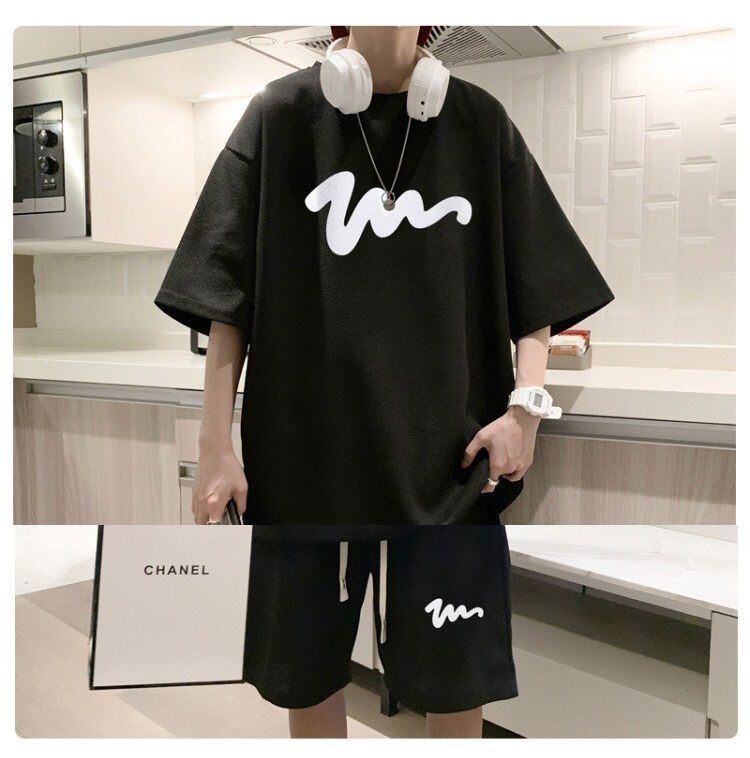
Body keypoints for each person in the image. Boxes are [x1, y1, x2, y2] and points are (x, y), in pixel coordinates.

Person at [154, 25, 614, 528]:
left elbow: (539, 280)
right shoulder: (278, 117)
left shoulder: (481, 124)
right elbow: (225, 296)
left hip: (454, 484)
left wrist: (525, 411)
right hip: (300, 484)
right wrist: (214, 445)